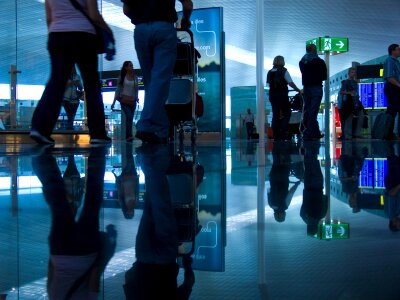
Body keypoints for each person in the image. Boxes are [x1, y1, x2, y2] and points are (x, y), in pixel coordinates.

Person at [32, 148, 117, 299]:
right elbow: (51, 270)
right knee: (59, 203)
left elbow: (94, 277)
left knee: (93, 201)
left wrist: (105, 255)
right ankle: (42, 160)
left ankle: (97, 155)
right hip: (60, 252)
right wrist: (57, 254)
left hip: (85, 252)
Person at [30, 0, 113, 145]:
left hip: (58, 36)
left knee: (56, 82)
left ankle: (40, 128)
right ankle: (98, 133)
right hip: (84, 36)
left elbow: (49, 19)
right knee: (91, 84)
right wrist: (109, 31)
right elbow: (94, 15)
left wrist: (57, 33)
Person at [121, 0, 193, 144]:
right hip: (164, 28)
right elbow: (187, 4)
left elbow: (126, 10)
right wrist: (185, 20)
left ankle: (161, 128)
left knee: (150, 83)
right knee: (160, 80)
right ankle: (145, 125)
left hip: (141, 30)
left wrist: (142, 19)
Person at [267, 55, 302, 141]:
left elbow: (268, 85)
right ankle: (283, 130)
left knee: (275, 114)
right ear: (282, 61)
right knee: (287, 113)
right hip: (282, 95)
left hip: (272, 95)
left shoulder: (270, 72)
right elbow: (290, 83)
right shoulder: (283, 71)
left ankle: (275, 133)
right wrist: (298, 90)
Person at [299, 44, 327, 141]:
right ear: (315, 50)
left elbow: (303, 73)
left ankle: (316, 132)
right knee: (313, 111)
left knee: (309, 110)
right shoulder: (320, 62)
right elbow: (324, 76)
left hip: (306, 88)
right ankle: (309, 132)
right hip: (317, 88)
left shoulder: (302, 62)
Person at [111, 61, 139, 142]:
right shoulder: (122, 77)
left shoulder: (135, 77)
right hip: (124, 100)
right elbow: (117, 90)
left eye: (132, 65)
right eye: (130, 66)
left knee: (130, 118)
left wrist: (137, 98)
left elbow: (137, 89)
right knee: (129, 116)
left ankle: (129, 136)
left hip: (132, 100)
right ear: (126, 67)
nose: (132, 67)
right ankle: (129, 136)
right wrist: (113, 102)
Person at [338, 67, 365, 140]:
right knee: (348, 118)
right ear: (349, 73)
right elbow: (341, 92)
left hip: (355, 101)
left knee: (361, 115)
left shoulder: (355, 82)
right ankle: (348, 135)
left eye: (354, 72)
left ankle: (357, 133)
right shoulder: (345, 82)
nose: (353, 74)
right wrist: (349, 93)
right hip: (349, 102)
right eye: (352, 72)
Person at [383, 43, 400, 140]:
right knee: (392, 110)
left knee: (395, 110)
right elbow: (389, 77)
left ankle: (394, 133)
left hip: (396, 87)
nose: (399, 51)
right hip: (392, 87)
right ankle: (388, 133)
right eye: (398, 49)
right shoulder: (389, 61)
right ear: (392, 51)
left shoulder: (397, 62)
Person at [62, 65, 83, 130]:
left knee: (72, 115)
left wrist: (78, 84)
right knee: (70, 114)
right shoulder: (64, 76)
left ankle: (70, 128)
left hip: (75, 99)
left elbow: (80, 87)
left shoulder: (77, 76)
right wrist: (71, 83)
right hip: (66, 99)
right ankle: (70, 128)